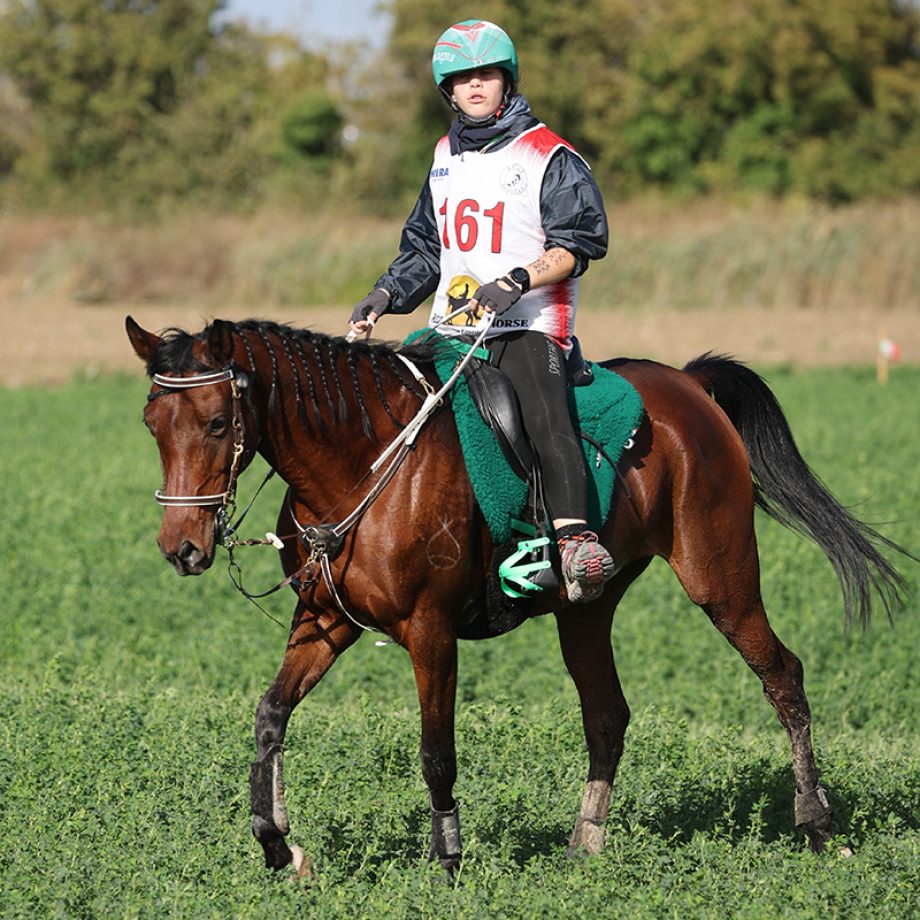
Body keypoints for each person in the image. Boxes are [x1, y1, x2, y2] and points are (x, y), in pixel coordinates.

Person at [349, 19, 613, 604]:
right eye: (462, 79)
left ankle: (574, 540)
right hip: (452, 326)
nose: (474, 86)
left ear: (506, 80)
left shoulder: (550, 154)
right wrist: (384, 296)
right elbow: (424, 247)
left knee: (544, 416)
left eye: (485, 75)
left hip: (530, 324)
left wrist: (516, 280)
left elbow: (579, 243)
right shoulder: (444, 156)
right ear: (448, 90)